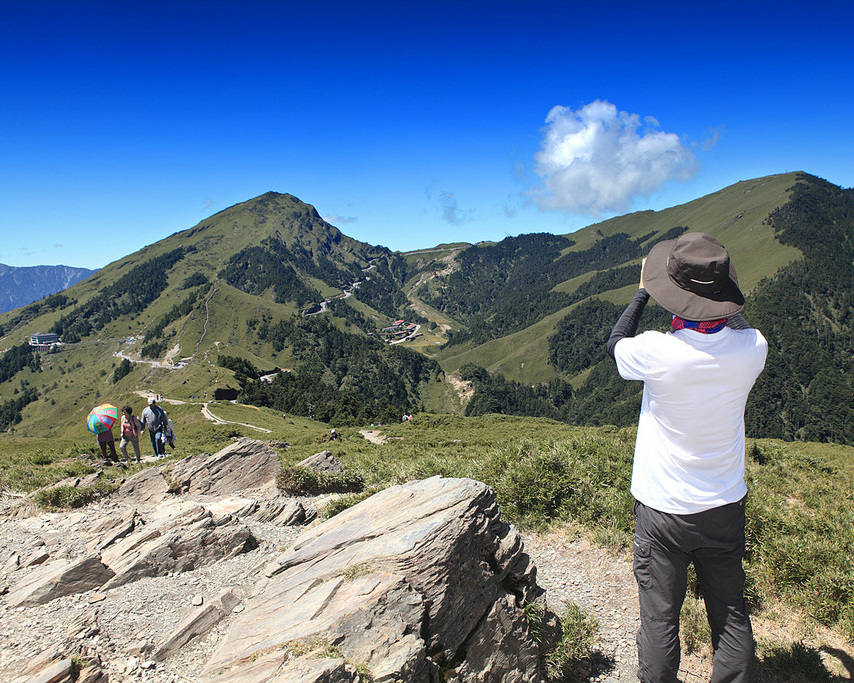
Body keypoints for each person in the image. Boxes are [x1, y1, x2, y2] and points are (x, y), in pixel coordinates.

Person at [605, 232, 768, 683]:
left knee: (660, 620)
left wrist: (642, 290)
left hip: (664, 512)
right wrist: (719, 300)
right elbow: (734, 324)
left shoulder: (658, 351)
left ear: (673, 295)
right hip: (724, 506)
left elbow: (616, 342)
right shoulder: (753, 347)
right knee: (731, 614)